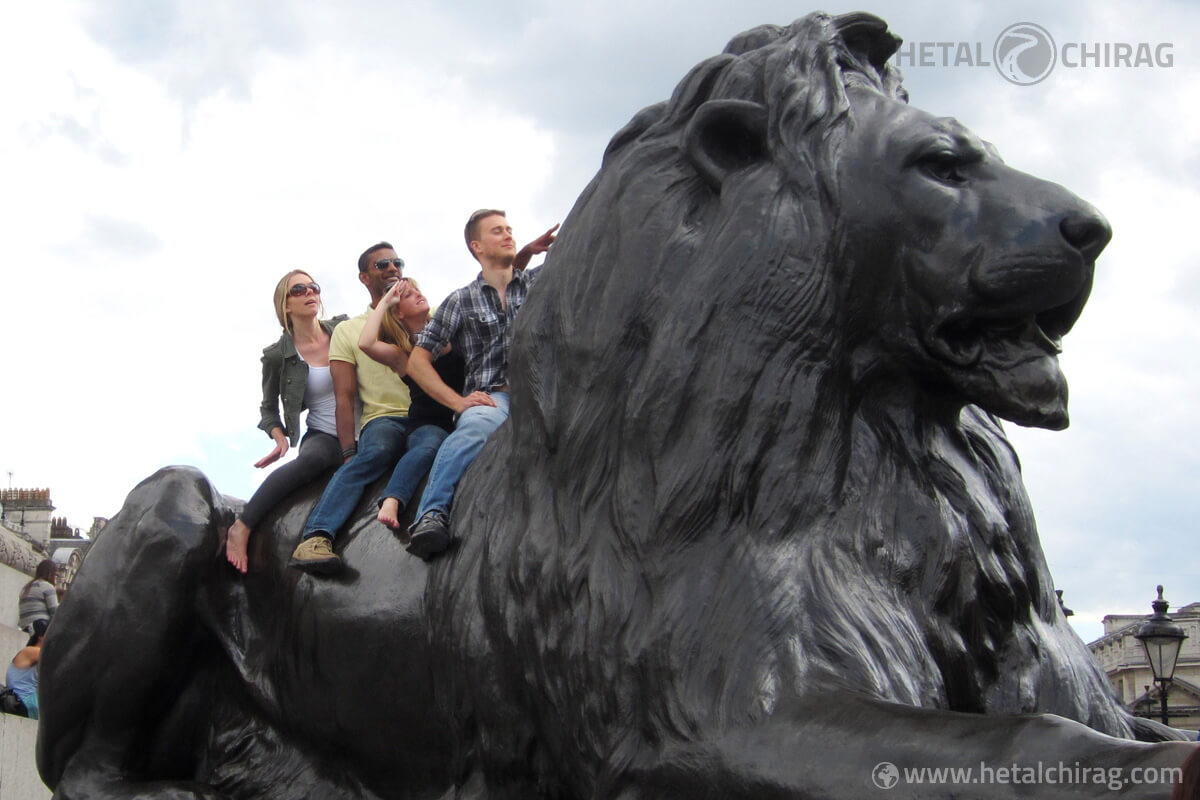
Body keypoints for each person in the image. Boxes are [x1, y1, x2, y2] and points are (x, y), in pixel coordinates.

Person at [405, 209, 557, 558]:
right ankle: (431, 514)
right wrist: (457, 402)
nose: (508, 234)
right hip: (495, 399)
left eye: (509, 229)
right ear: (477, 246)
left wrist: (542, 250)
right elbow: (417, 359)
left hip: (546, 391)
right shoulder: (460, 300)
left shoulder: (538, 281)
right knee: (474, 429)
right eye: (496, 231)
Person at [287, 243, 419, 574]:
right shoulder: (348, 330)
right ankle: (316, 537)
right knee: (375, 454)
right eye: (382, 265)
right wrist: (348, 452)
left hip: (428, 416)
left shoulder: (422, 317)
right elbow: (343, 396)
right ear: (364, 277)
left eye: (397, 263)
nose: (392, 268)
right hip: (384, 419)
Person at [225, 271, 348, 573]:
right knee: (315, 459)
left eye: (314, 287)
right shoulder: (277, 356)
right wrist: (279, 437)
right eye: (299, 289)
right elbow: (268, 409)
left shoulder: (344, 329)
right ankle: (242, 526)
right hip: (325, 434)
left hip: (367, 424)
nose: (310, 292)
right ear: (286, 306)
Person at [356, 277, 464, 531]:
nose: (417, 294)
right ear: (399, 313)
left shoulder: (451, 330)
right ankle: (392, 499)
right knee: (428, 447)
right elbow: (366, 343)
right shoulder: (400, 353)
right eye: (407, 296)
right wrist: (385, 301)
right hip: (429, 424)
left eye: (418, 290)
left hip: (465, 416)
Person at [6, 618, 47, 719]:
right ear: (41, 637)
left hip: (27, 702)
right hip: (24, 703)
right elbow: (59, 659)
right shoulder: (32, 651)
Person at [17, 560, 57, 633]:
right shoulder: (47, 586)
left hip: (25, 627)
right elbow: (55, 613)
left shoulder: (26, 588)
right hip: (40, 626)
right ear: (51, 574)